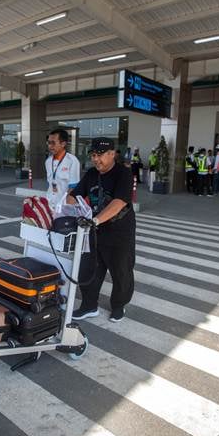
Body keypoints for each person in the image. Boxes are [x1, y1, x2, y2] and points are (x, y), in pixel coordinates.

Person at [68, 137, 135, 323]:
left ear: (112, 154)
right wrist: (62, 208)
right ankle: (89, 305)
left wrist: (95, 220)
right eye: (93, 155)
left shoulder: (123, 173)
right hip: (94, 231)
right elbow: (74, 197)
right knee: (90, 269)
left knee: (121, 271)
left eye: (100, 155)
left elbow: (119, 202)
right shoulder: (91, 174)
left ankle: (118, 305)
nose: (96, 159)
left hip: (119, 231)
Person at [45, 129, 80, 209]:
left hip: (64, 206)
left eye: (53, 143)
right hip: (50, 203)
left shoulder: (72, 161)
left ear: (63, 144)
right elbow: (50, 184)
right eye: (49, 142)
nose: (50, 146)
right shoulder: (48, 161)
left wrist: (64, 205)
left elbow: (73, 188)